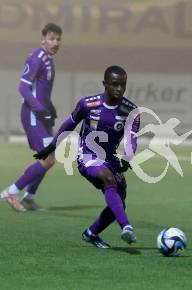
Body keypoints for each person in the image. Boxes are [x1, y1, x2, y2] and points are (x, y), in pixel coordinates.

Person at [33, 65, 140, 248]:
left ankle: (91, 233)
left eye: (123, 85)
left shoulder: (131, 111)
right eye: (115, 84)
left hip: (111, 158)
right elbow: (69, 124)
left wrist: (127, 158)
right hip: (87, 155)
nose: (119, 89)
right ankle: (127, 227)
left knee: (119, 202)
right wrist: (52, 145)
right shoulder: (88, 104)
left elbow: (132, 138)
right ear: (104, 84)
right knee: (108, 180)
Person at [1, 23, 62, 211]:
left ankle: (29, 197)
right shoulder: (36, 58)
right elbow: (23, 87)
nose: (56, 42)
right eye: (52, 38)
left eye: (58, 39)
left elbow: (41, 90)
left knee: (48, 159)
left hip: (43, 115)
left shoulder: (48, 59)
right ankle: (11, 192)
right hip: (33, 114)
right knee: (48, 159)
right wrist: (38, 108)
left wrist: (49, 107)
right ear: (42, 39)